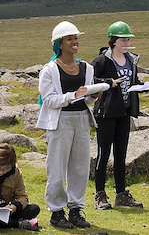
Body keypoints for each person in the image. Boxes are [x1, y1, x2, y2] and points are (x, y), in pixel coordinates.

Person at [37, 21, 96, 229]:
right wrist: (73, 95)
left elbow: (87, 99)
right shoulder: (49, 70)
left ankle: (75, 210)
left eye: (76, 38)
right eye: (69, 39)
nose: (74, 42)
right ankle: (56, 212)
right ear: (59, 44)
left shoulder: (86, 67)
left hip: (81, 119)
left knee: (80, 167)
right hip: (59, 122)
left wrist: (93, 95)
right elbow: (49, 100)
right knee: (57, 167)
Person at [91, 21, 144, 210]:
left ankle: (121, 194)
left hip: (124, 113)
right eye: (123, 39)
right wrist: (108, 82)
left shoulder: (131, 59)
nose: (126, 43)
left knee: (121, 155)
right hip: (105, 114)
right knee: (103, 155)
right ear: (113, 40)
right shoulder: (101, 61)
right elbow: (89, 80)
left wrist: (141, 86)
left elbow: (132, 80)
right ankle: (100, 195)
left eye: (128, 39)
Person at [0, 143, 40, 231]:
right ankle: (19, 223)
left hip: (6, 210)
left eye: (6, 169)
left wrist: (15, 206)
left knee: (34, 209)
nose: (1, 172)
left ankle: (8, 222)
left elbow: (22, 196)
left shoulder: (16, 173)